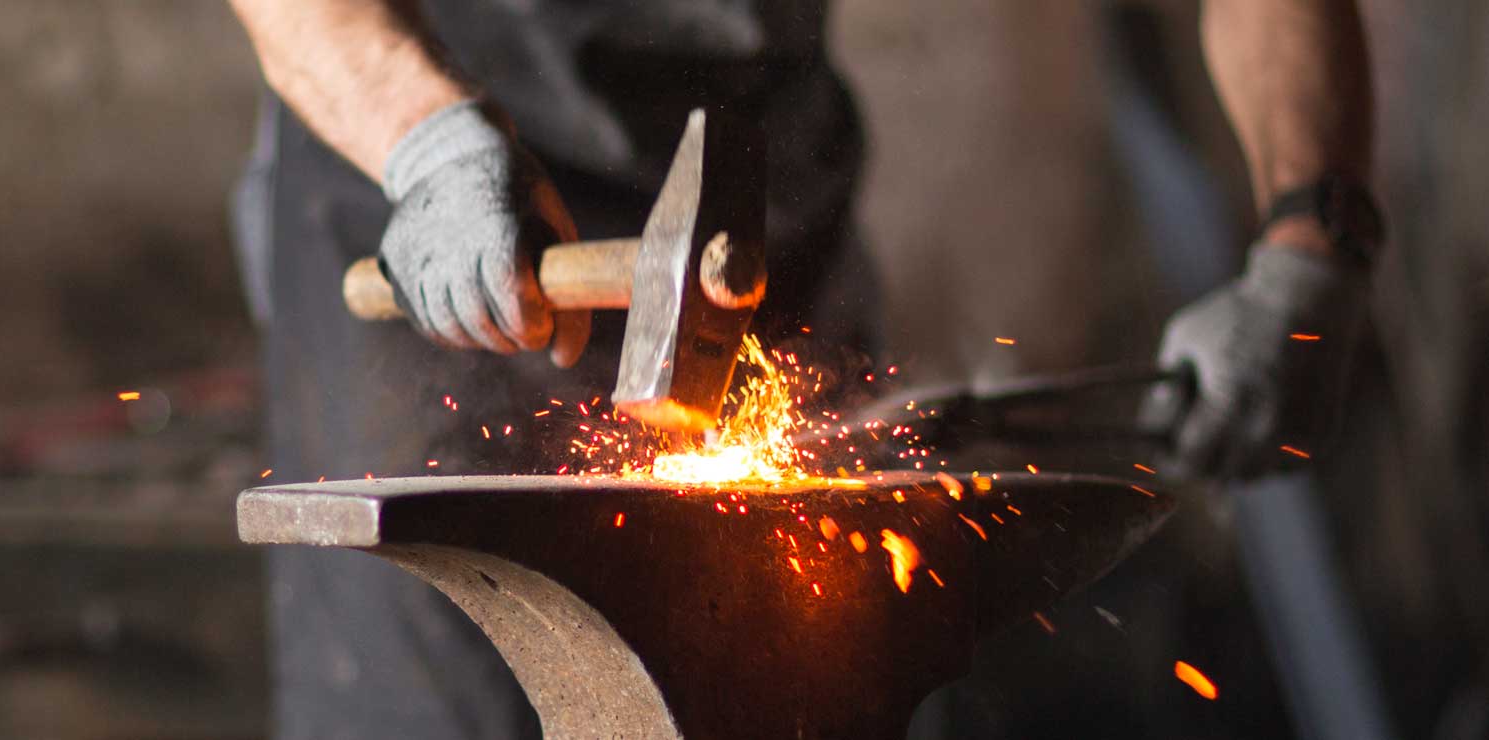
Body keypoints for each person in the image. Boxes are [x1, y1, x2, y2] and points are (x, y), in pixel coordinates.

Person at [224, 1, 1379, 737]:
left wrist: (1311, 237)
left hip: (763, 218)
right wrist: (417, 136)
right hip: (436, 210)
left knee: (808, 644)